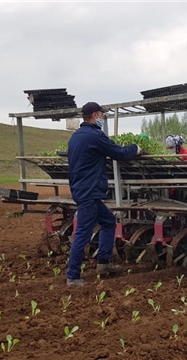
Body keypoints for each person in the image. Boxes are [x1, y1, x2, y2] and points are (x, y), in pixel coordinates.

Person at [66, 102, 141, 287]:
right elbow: (118, 153)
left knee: (108, 222)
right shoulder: (94, 136)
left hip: (81, 189)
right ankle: (73, 276)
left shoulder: (76, 137)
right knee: (83, 233)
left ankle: (103, 263)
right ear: (94, 115)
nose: (103, 117)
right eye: (102, 114)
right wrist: (135, 148)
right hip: (89, 192)